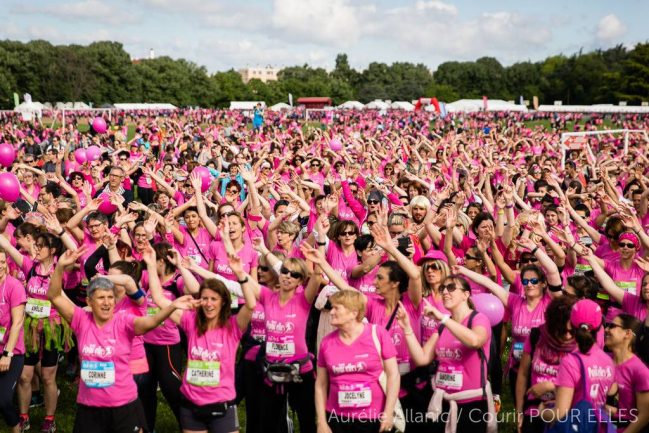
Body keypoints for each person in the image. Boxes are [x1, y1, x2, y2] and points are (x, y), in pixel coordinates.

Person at [48, 246, 196, 433]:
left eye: (110, 297)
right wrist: (60, 266)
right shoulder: (80, 320)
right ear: (89, 302)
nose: (107, 302)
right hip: (89, 407)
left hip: (123, 404)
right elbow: (54, 295)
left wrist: (172, 306)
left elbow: (151, 321)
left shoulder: (124, 321)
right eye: (101, 297)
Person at [145, 245, 256, 433]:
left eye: (214, 299)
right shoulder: (190, 321)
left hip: (223, 405)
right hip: (191, 405)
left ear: (223, 302)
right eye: (205, 298)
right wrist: (150, 264)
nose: (209, 303)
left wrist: (240, 274)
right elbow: (158, 298)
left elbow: (251, 304)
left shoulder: (233, 327)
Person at [396, 274, 495, 433]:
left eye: (451, 288)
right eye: (442, 289)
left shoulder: (477, 319)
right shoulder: (442, 326)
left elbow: (475, 341)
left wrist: (443, 319)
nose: (445, 292)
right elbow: (422, 358)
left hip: (471, 403)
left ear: (466, 295)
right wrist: (407, 329)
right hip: (441, 401)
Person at [315, 290, 400, 433]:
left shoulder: (378, 334)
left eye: (336, 308)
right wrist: (321, 422)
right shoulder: (326, 342)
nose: (330, 312)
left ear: (354, 312)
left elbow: (393, 375)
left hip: (372, 418)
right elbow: (321, 384)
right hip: (337, 418)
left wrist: (388, 412)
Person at [540, 299, 616, 431]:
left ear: (571, 323)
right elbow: (611, 390)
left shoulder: (571, 361)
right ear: (599, 326)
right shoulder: (607, 359)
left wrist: (542, 412)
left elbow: (560, 413)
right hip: (595, 426)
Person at [515, 297, 577, 433]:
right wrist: (519, 410)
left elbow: (583, 386)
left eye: (572, 331)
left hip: (565, 411)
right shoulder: (537, 336)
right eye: (561, 331)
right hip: (533, 409)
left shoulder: (581, 345)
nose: (567, 336)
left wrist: (550, 386)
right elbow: (523, 374)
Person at [605, 314, 649, 433]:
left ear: (628, 333)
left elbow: (645, 414)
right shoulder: (602, 360)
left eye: (612, 326)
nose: (606, 329)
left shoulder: (640, 370)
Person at [0, 250, 26, 433]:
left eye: (2, 262)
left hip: (12, 351)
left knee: (3, 400)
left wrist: (7, 354)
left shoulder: (14, 286)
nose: (0, 266)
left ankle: (17, 427)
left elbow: (17, 323)